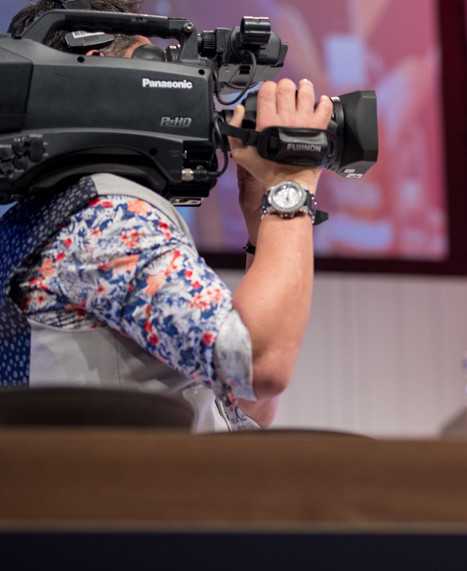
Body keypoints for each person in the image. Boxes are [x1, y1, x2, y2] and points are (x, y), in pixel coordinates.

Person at [0, 0, 329, 431]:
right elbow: (259, 362)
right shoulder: (108, 217)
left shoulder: (46, 219)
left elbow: (247, 406)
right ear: (96, 72)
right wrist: (292, 182)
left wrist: (261, 220)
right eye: (153, 61)